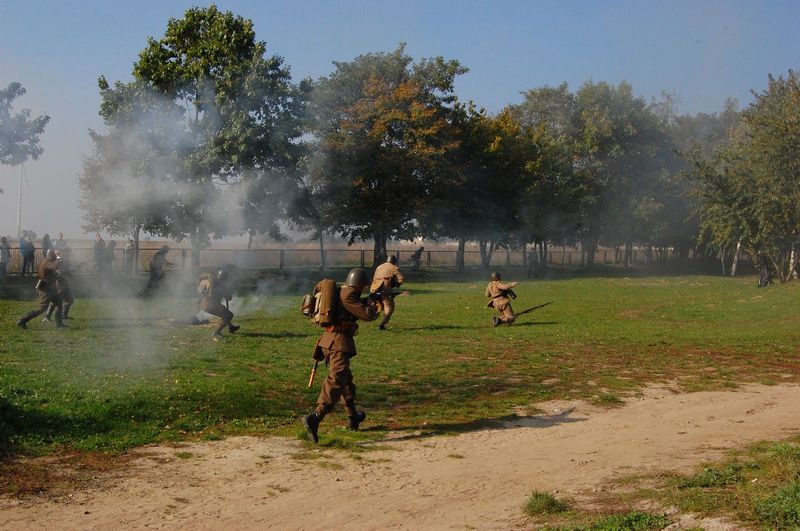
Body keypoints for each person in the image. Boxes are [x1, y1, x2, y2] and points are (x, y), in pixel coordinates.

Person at [302, 268, 378, 444]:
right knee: (336, 379)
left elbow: (351, 309)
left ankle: (353, 417)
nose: (364, 289)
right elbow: (368, 315)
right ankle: (315, 417)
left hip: (328, 342)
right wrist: (375, 305)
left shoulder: (343, 292)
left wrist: (369, 300)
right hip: (338, 343)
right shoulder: (349, 296)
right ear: (359, 285)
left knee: (345, 380)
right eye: (363, 286)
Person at [17, 249, 64, 329]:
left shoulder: (44, 261)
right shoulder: (49, 263)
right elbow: (55, 269)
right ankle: (22, 321)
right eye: (54, 255)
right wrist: (58, 264)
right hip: (45, 288)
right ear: (52, 255)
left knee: (58, 302)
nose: (56, 256)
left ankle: (59, 324)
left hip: (49, 288)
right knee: (42, 309)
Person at [196, 265, 240, 341]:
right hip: (211, 306)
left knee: (225, 311)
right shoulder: (221, 285)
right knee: (229, 315)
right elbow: (229, 298)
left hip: (203, 304)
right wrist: (227, 292)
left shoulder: (211, 281)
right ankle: (216, 332)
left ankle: (231, 327)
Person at [370, 254, 404, 330]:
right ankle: (381, 325)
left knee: (380, 304)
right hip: (385, 288)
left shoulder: (379, 267)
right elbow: (401, 279)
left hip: (374, 287)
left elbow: (374, 278)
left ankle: (372, 315)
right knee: (390, 307)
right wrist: (395, 285)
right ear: (394, 261)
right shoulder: (395, 268)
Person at [44, 247, 75, 322]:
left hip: (64, 282)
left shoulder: (65, 260)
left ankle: (64, 315)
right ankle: (47, 317)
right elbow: (58, 272)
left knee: (70, 299)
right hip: (59, 283)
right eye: (68, 253)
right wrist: (68, 272)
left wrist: (71, 273)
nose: (69, 254)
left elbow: (66, 272)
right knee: (56, 301)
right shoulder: (58, 260)